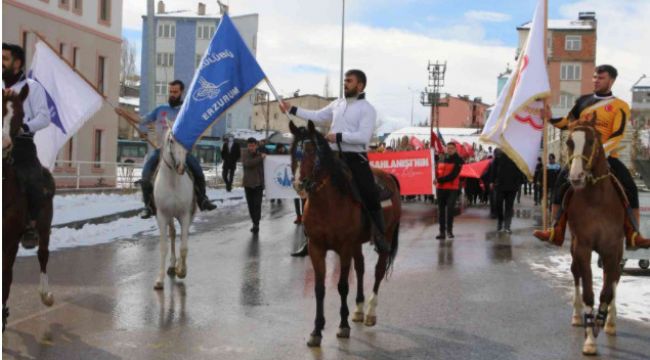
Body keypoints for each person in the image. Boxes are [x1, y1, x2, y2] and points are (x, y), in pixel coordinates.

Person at [534, 65, 650, 248]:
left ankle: (634, 235)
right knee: (559, 185)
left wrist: (598, 152)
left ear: (611, 81)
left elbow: (617, 133)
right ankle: (555, 230)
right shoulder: (583, 101)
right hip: (580, 154)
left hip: (606, 155)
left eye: (601, 78)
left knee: (630, 188)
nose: (596, 80)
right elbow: (568, 123)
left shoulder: (620, 106)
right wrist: (551, 118)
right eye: (595, 77)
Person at [279, 69, 391, 254]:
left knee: (369, 192)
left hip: (355, 158)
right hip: (331, 156)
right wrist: (291, 109)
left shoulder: (367, 109)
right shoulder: (337, 104)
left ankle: (379, 235)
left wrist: (338, 136)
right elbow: (316, 116)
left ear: (360, 85)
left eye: (349, 81)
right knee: (313, 188)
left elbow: (363, 137)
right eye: (345, 80)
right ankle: (311, 237)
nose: (345, 83)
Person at [115, 80, 216, 219]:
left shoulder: (186, 111)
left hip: (182, 151)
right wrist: (123, 113)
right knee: (145, 173)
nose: (172, 94)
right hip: (161, 151)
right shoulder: (160, 110)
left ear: (181, 92)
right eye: (171, 91)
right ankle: (148, 206)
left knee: (198, 171)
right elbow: (141, 120)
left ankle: (203, 200)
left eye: (175, 92)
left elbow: (197, 129)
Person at [2, 43, 51, 247]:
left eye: (5, 58)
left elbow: (45, 117)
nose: (1, 62)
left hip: (21, 143)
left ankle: (30, 225)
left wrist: (24, 127)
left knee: (33, 178)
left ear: (18, 62)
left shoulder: (32, 87)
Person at [490, 149, 525, 233]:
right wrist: (491, 181)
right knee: (498, 204)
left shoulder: (517, 156)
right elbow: (493, 169)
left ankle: (507, 225)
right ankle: (500, 221)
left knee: (509, 206)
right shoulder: (499, 155)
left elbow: (521, 169)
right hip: (500, 185)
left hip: (512, 186)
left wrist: (519, 181)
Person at [435, 142, 464, 240]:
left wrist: (439, 180)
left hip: (452, 189)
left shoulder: (459, 160)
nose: (450, 150)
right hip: (440, 188)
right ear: (446, 149)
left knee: (450, 210)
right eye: (448, 148)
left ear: (455, 149)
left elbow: (453, 175)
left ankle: (449, 231)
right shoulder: (442, 158)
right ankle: (442, 232)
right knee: (441, 211)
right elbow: (437, 171)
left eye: (452, 148)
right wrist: (434, 176)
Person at [242, 137, 265, 234]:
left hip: (258, 184)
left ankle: (256, 224)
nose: (251, 147)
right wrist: (260, 158)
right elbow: (249, 163)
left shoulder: (260, 154)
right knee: (251, 205)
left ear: (256, 145)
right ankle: (254, 222)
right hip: (248, 184)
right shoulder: (244, 153)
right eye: (249, 146)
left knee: (257, 205)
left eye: (253, 145)